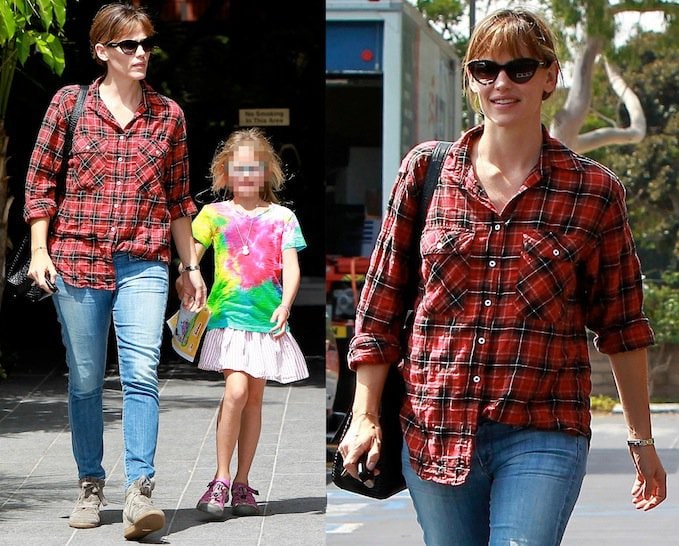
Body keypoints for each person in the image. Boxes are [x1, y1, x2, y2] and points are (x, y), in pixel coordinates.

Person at [340, 7, 666, 546]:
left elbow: (624, 326)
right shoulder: (427, 172)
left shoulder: (593, 192)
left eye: (519, 69)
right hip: (434, 424)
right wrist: (364, 415)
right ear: (471, 79)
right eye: (485, 68)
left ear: (549, 77)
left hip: (544, 426)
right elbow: (380, 308)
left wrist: (641, 440)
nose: (501, 82)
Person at [24, 3, 206, 540]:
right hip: (77, 257)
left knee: (141, 372)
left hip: (145, 260)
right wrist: (39, 249)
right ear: (102, 51)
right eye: (128, 45)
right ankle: (90, 484)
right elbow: (40, 182)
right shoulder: (69, 105)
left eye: (146, 43)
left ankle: (138, 492)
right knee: (83, 379)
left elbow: (178, 199)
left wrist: (190, 266)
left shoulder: (168, 115)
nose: (141, 53)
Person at [176, 128, 309, 518]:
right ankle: (220, 477)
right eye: (239, 168)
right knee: (235, 391)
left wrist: (286, 305)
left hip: (265, 321)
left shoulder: (283, 217)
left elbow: (292, 266)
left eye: (255, 168)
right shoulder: (213, 215)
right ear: (225, 174)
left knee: (254, 400)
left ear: (267, 172)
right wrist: (188, 275)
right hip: (227, 318)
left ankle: (243, 483)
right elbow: (191, 256)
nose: (247, 175)